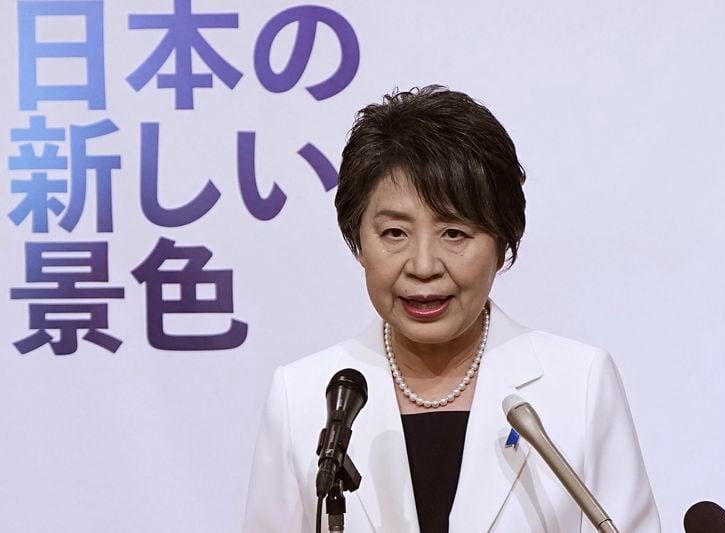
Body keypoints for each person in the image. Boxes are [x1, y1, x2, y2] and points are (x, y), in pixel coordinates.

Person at [242, 86, 660, 532]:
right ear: (358, 240)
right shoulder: (302, 395)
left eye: (455, 233)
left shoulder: (579, 383)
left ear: (502, 245)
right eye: (394, 233)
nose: (423, 266)